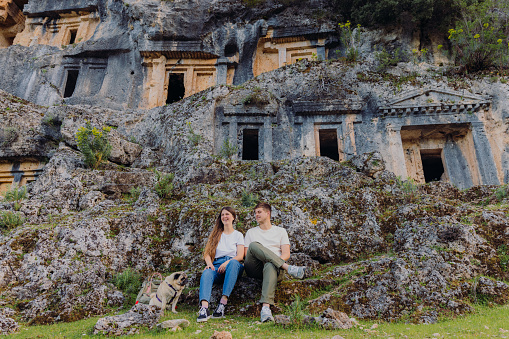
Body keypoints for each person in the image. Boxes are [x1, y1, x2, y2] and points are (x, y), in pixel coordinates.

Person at [244, 202, 306, 322]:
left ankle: (266, 310)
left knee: (270, 264)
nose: (256, 215)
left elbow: (286, 254)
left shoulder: (280, 231)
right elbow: (246, 254)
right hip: (255, 267)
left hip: (274, 269)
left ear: (268, 213)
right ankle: (289, 268)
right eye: (255, 213)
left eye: (259, 212)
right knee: (253, 245)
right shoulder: (251, 232)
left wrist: (271, 260)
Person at [197, 206, 244, 322]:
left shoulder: (238, 235)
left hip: (233, 265)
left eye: (227, 214)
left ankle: (222, 304)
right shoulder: (216, 234)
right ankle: (204, 308)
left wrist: (227, 263)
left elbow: (240, 256)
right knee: (207, 272)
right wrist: (209, 264)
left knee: (233, 263)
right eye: (222, 215)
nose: (224, 216)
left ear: (233, 217)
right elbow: (207, 253)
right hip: (217, 265)